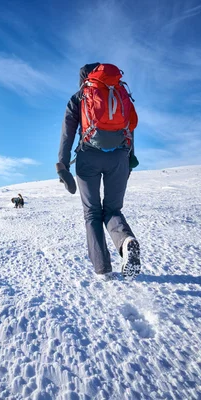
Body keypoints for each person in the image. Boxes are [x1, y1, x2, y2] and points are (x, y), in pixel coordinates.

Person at [57, 63, 141, 278]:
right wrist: (128, 159)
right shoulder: (121, 93)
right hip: (120, 156)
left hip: (89, 156)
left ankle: (102, 269)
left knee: (92, 212)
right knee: (113, 209)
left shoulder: (80, 97)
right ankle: (125, 241)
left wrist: (63, 165)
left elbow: (67, 133)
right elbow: (130, 128)